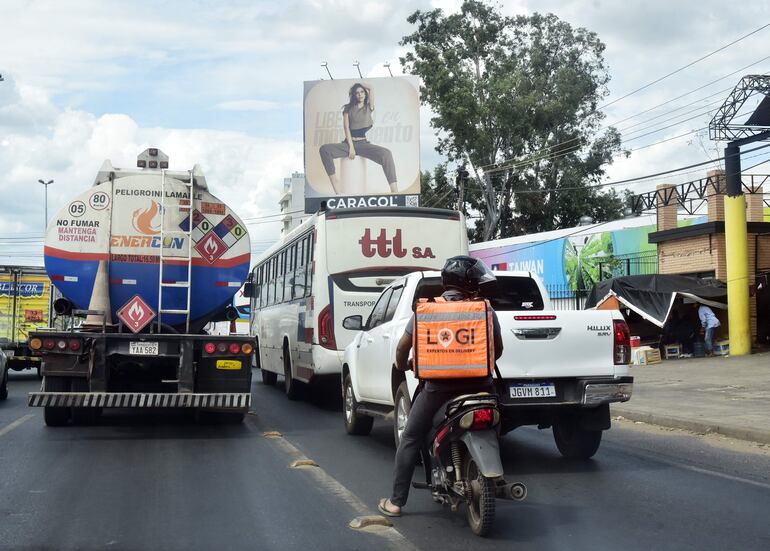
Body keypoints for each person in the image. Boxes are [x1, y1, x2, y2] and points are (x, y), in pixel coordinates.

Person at [378, 256, 504, 517]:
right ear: (468, 284)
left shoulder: (428, 311)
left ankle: (396, 502)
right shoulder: (485, 310)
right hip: (482, 387)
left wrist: (403, 364)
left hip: (437, 390)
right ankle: (497, 475)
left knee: (410, 437)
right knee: (495, 422)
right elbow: (498, 350)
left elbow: (403, 347)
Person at [319, 83, 398, 194]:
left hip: (363, 144)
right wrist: (351, 147)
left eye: (362, 92)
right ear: (354, 95)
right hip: (348, 144)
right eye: (357, 93)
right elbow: (346, 127)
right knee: (324, 149)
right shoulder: (348, 108)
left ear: (365, 94)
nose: (360, 95)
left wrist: (359, 84)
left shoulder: (369, 107)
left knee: (387, 154)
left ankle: (394, 190)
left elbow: (371, 87)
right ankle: (336, 186)